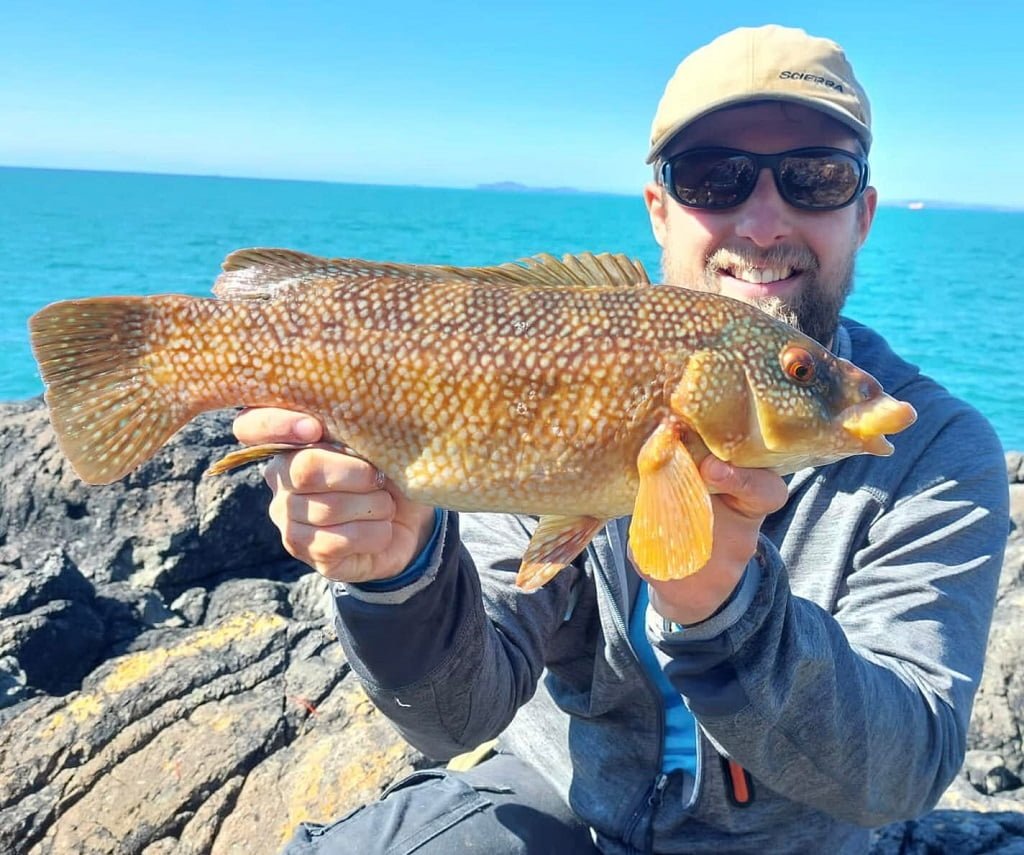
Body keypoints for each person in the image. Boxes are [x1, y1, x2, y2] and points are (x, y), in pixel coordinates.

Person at [233, 25, 1010, 855]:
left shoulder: (939, 451)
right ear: (659, 210)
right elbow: (454, 716)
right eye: (714, 177)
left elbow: (903, 767)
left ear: (862, 212)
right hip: (555, 797)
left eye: (816, 177)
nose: (762, 217)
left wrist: (728, 612)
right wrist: (401, 576)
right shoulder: (556, 366)